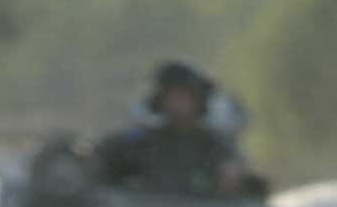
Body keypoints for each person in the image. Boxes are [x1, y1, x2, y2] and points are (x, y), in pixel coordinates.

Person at [95, 60, 265, 199]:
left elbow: (249, 191)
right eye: (171, 96)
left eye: (183, 97)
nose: (176, 104)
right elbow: (101, 162)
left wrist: (235, 181)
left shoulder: (215, 146)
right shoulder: (142, 143)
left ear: (199, 101)